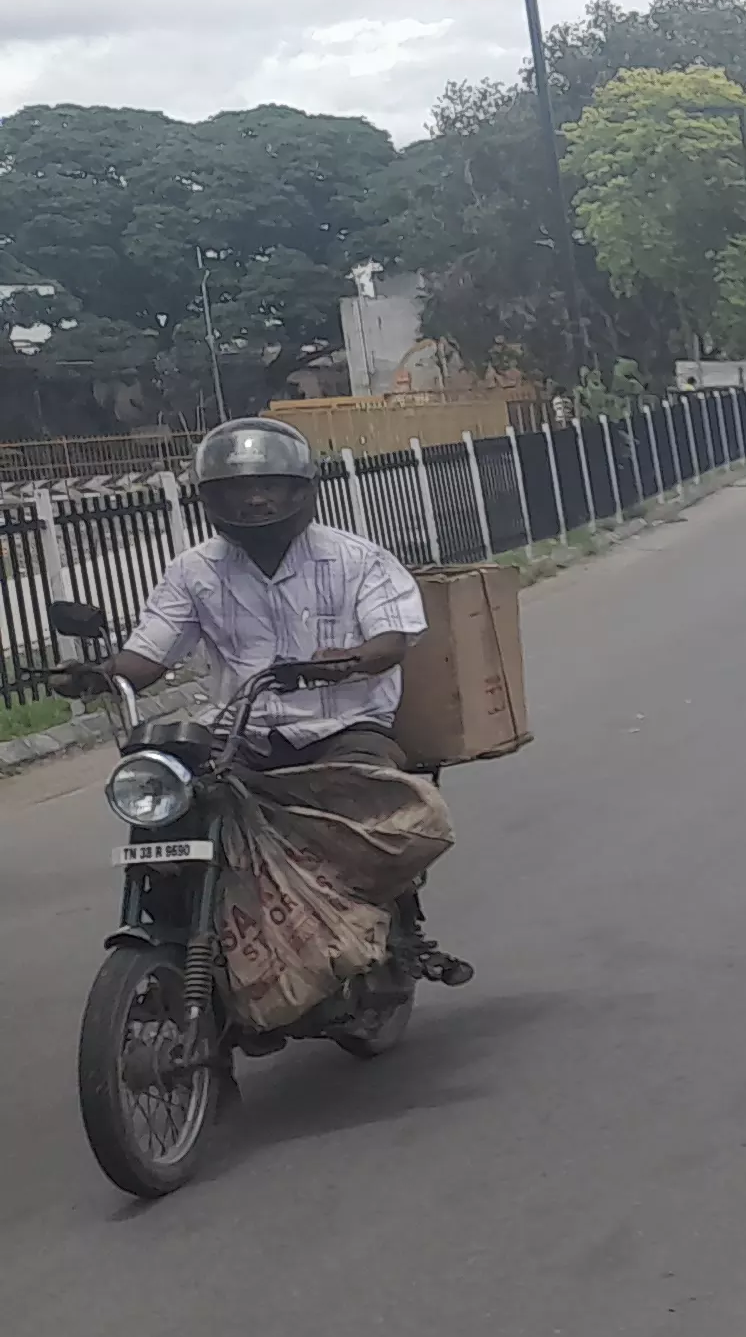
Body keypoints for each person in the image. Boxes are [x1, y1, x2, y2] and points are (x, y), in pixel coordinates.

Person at [64, 417, 458, 1019]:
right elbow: (149, 655)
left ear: (303, 489)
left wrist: (345, 661)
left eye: (271, 485)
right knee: (170, 804)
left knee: (378, 811)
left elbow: (391, 642)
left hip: (341, 728)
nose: (254, 499)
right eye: (234, 489)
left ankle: (379, 935)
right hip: (238, 732)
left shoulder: (357, 560)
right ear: (209, 499)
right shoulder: (194, 570)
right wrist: (98, 672)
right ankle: (179, 943)